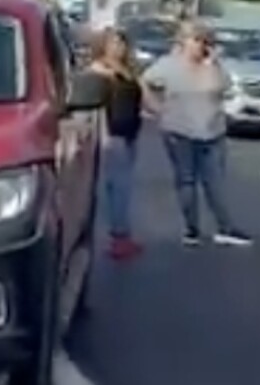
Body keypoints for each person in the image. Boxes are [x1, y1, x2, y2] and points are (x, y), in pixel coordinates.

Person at [140, 20, 250, 246]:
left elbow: (223, 87)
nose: (200, 45)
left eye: (204, 41)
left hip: (212, 132)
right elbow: (144, 82)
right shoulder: (168, 65)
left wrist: (212, 63)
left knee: (215, 183)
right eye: (195, 40)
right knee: (186, 181)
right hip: (179, 132)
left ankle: (225, 228)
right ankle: (192, 230)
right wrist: (155, 107)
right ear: (183, 42)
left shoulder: (213, 67)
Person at [89, 28, 144, 260]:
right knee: (118, 188)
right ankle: (119, 237)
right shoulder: (98, 70)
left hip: (130, 133)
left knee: (122, 187)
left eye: (121, 44)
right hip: (112, 133)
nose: (118, 48)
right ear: (102, 46)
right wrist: (102, 137)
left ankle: (122, 235)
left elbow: (142, 97)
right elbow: (96, 106)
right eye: (112, 43)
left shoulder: (129, 71)